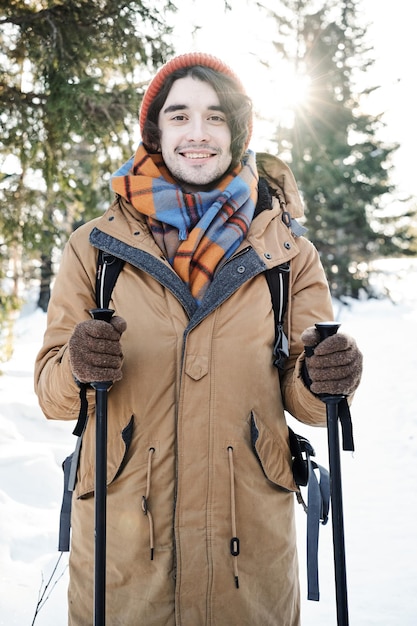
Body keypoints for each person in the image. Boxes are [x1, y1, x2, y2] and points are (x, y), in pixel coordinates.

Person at [34, 52, 363, 626]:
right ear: (156, 131)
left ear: (236, 134)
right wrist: (79, 366)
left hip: (248, 549)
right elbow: (52, 393)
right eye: (180, 115)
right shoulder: (94, 249)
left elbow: (306, 402)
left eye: (216, 117)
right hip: (123, 554)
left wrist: (323, 376)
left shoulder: (287, 254)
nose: (197, 133)